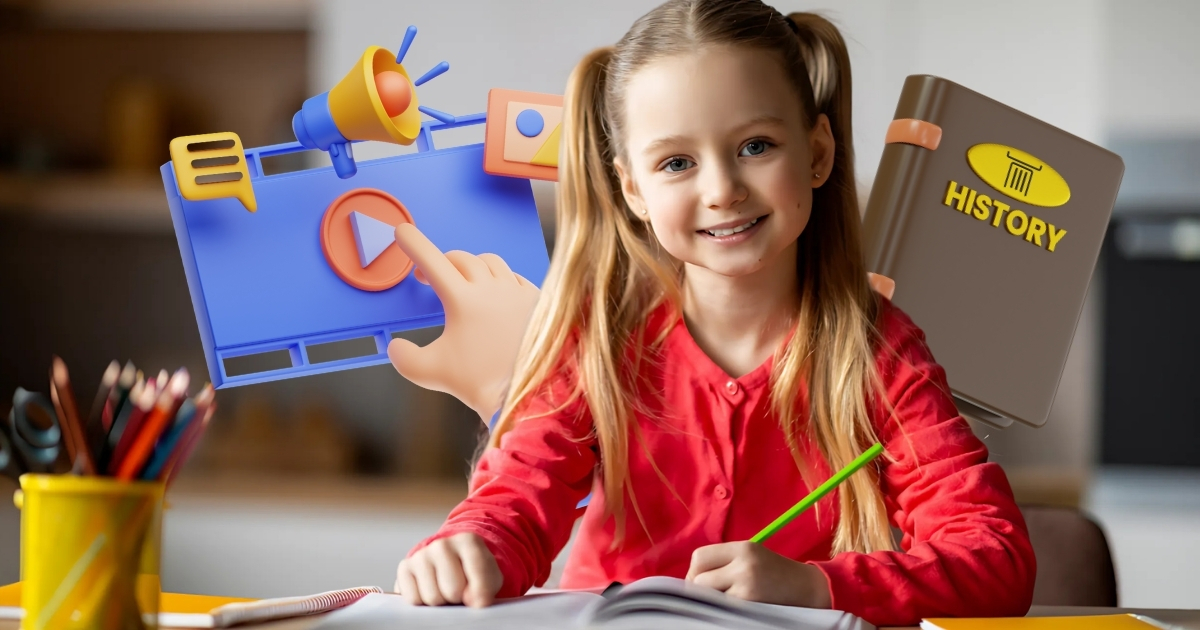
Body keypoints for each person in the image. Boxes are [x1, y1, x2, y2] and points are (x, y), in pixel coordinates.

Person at [392, 1, 1036, 625]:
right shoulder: (599, 339)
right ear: (634, 189)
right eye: (677, 163)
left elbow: (995, 557)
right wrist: (470, 547)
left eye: (756, 146)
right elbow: (515, 506)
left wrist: (815, 586)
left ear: (816, 153)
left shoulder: (878, 352)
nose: (722, 189)